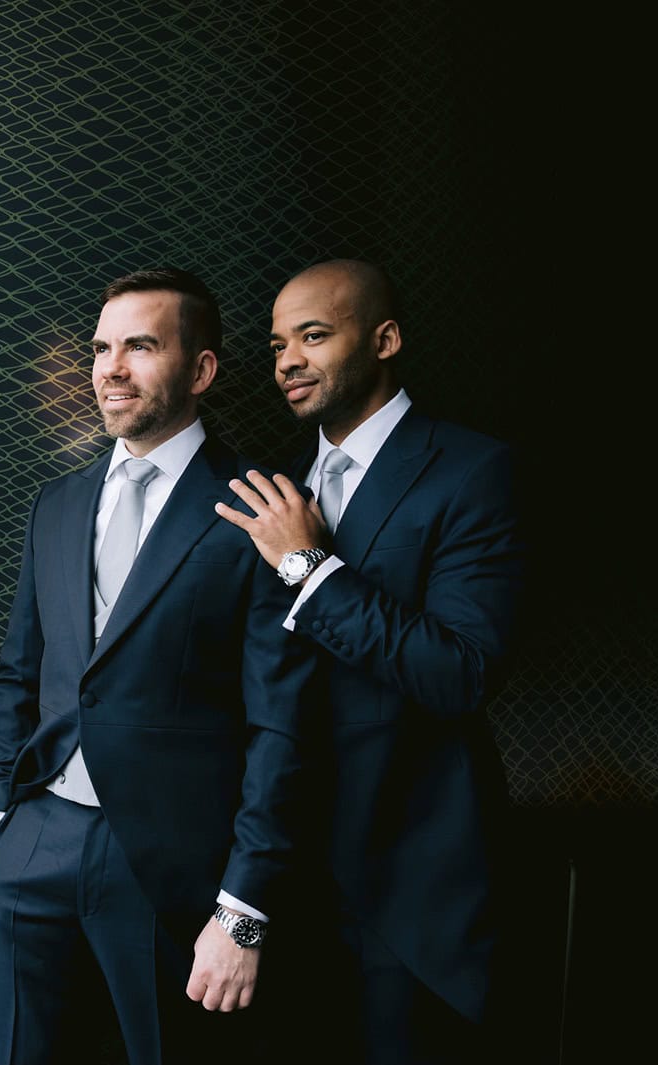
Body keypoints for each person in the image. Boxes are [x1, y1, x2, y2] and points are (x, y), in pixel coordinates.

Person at [0, 267, 316, 1064]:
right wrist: (1, 816)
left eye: (140, 346)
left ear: (200, 369)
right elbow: (19, 671)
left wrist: (243, 909)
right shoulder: (56, 503)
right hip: (36, 844)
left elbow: (283, 726)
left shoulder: (263, 509)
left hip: (173, 870)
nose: (111, 368)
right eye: (102, 348)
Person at [214, 259, 523, 1063]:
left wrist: (309, 568)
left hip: (411, 896)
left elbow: (462, 672)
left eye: (314, 336)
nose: (287, 360)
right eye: (278, 344)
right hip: (280, 890)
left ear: (384, 340)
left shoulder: (471, 469)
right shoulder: (272, 489)